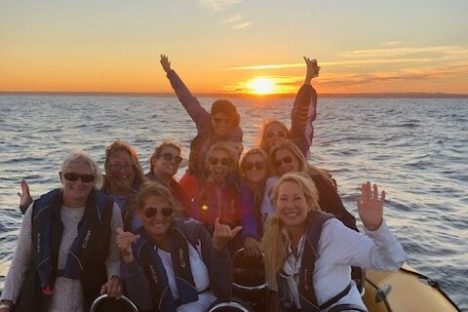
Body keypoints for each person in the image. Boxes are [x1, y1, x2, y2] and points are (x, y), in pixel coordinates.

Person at [262, 173, 406, 311]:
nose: (290, 205)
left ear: (309, 202)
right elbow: (278, 289)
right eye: (283, 198)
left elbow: (391, 260)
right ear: (275, 204)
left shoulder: (331, 233)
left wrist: (376, 228)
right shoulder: (275, 238)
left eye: (297, 198)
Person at [0, 151, 123, 312]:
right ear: (61, 177)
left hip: (89, 297)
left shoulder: (109, 211)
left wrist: (114, 278)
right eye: (71, 176)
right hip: (41, 299)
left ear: (94, 181)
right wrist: (6, 302)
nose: (79, 182)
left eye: (86, 178)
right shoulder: (37, 210)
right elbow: (20, 262)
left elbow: (113, 259)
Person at [117, 182, 240, 312]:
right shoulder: (135, 247)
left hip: (214, 305)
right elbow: (144, 304)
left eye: (166, 211)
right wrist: (129, 262)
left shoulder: (194, 231)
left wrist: (219, 249)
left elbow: (224, 290)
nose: (159, 218)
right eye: (150, 212)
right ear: (139, 213)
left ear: (172, 212)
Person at [159, 54, 242, 186]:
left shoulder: (235, 134)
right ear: (211, 117)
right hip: (195, 173)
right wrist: (170, 72)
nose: (222, 124)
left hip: (221, 179)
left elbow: (233, 155)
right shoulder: (204, 120)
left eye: (227, 121)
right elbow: (186, 99)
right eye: (218, 120)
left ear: (233, 121)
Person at [183, 142, 258, 252]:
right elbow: (191, 215)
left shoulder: (239, 187)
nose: (219, 165)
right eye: (214, 161)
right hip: (205, 239)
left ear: (230, 165)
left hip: (233, 237)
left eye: (224, 162)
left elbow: (248, 215)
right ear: (208, 163)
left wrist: (250, 235)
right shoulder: (197, 185)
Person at [258, 57, 320, 157]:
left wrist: (308, 80)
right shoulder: (258, 164)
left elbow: (300, 119)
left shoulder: (297, 154)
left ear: (288, 137)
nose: (276, 138)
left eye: (281, 134)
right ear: (264, 140)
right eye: (270, 135)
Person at [101, 140, 146, 231]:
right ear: (107, 168)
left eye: (127, 164)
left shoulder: (146, 198)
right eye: (116, 165)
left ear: (134, 168)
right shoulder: (99, 201)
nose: (122, 170)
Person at [145, 141, 191, 213]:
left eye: (177, 159)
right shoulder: (146, 188)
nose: (173, 161)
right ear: (154, 161)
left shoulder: (176, 188)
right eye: (167, 157)